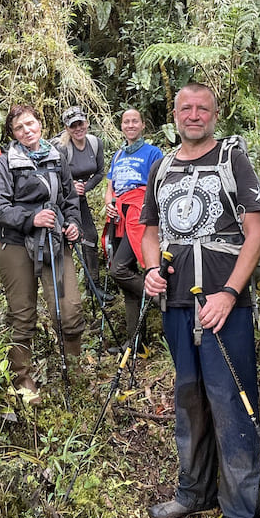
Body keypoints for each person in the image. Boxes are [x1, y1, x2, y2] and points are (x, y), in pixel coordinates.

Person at [141, 82, 260, 518]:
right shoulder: (162, 166)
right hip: (177, 304)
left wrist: (230, 293)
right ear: (173, 114)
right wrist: (152, 269)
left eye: (203, 108)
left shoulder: (232, 159)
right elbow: (150, 231)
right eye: (185, 108)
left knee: (232, 404)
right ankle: (194, 492)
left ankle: (239, 517)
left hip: (224, 307)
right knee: (189, 396)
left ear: (215, 114)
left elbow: (256, 233)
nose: (194, 115)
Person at [0, 103, 85, 403]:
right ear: (13, 133)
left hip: (53, 241)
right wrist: (31, 218)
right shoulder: (4, 163)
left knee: (70, 310)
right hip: (15, 243)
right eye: (19, 128)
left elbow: (69, 199)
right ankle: (23, 378)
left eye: (31, 124)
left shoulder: (57, 158)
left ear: (40, 124)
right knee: (23, 314)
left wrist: (73, 224)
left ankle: (74, 368)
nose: (27, 130)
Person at [103, 108, 163, 345]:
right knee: (126, 283)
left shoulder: (153, 152)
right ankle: (136, 343)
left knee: (119, 269)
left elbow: (157, 185)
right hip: (118, 216)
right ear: (121, 126)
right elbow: (111, 188)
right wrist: (109, 204)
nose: (130, 125)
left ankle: (161, 298)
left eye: (134, 121)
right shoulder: (117, 156)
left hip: (139, 215)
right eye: (126, 122)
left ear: (142, 125)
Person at [52, 106, 105, 299]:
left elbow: (99, 173)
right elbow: (52, 177)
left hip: (79, 199)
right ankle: (63, 290)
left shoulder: (95, 143)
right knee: (64, 241)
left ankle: (94, 287)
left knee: (90, 237)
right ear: (67, 128)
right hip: (61, 201)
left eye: (80, 123)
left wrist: (86, 186)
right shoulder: (61, 148)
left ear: (86, 123)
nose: (77, 128)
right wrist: (71, 186)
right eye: (72, 125)